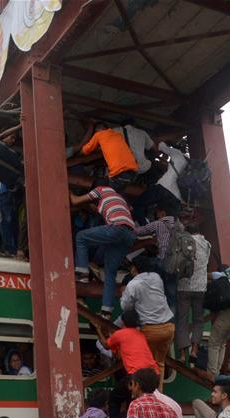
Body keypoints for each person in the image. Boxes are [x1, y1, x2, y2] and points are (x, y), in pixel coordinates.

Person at [70, 182, 136, 319]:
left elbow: (76, 200)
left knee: (81, 237)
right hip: (130, 234)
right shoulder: (120, 198)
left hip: (116, 228)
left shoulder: (101, 189)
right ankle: (106, 312)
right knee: (110, 273)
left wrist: (68, 190)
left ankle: (82, 273)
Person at [121, 256, 175, 388]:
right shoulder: (157, 277)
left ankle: (147, 393)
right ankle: (159, 391)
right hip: (168, 327)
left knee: (146, 365)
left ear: (134, 269)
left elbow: (125, 307)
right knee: (160, 363)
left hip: (150, 330)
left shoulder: (133, 284)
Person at [176, 223, 211, 365]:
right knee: (198, 320)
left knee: (182, 321)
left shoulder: (184, 241)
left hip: (184, 286)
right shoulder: (207, 244)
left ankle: (183, 355)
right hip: (201, 288)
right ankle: (194, 350)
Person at [206, 266, 230, 377]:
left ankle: (212, 373)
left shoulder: (222, 275)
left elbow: (206, 275)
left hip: (229, 314)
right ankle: (216, 371)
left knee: (214, 343)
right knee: (222, 343)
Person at [81, 122, 138, 190]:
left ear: (97, 130)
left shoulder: (99, 134)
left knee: (99, 186)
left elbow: (85, 150)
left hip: (119, 174)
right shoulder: (118, 135)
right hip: (133, 174)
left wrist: (76, 153)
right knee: (118, 190)